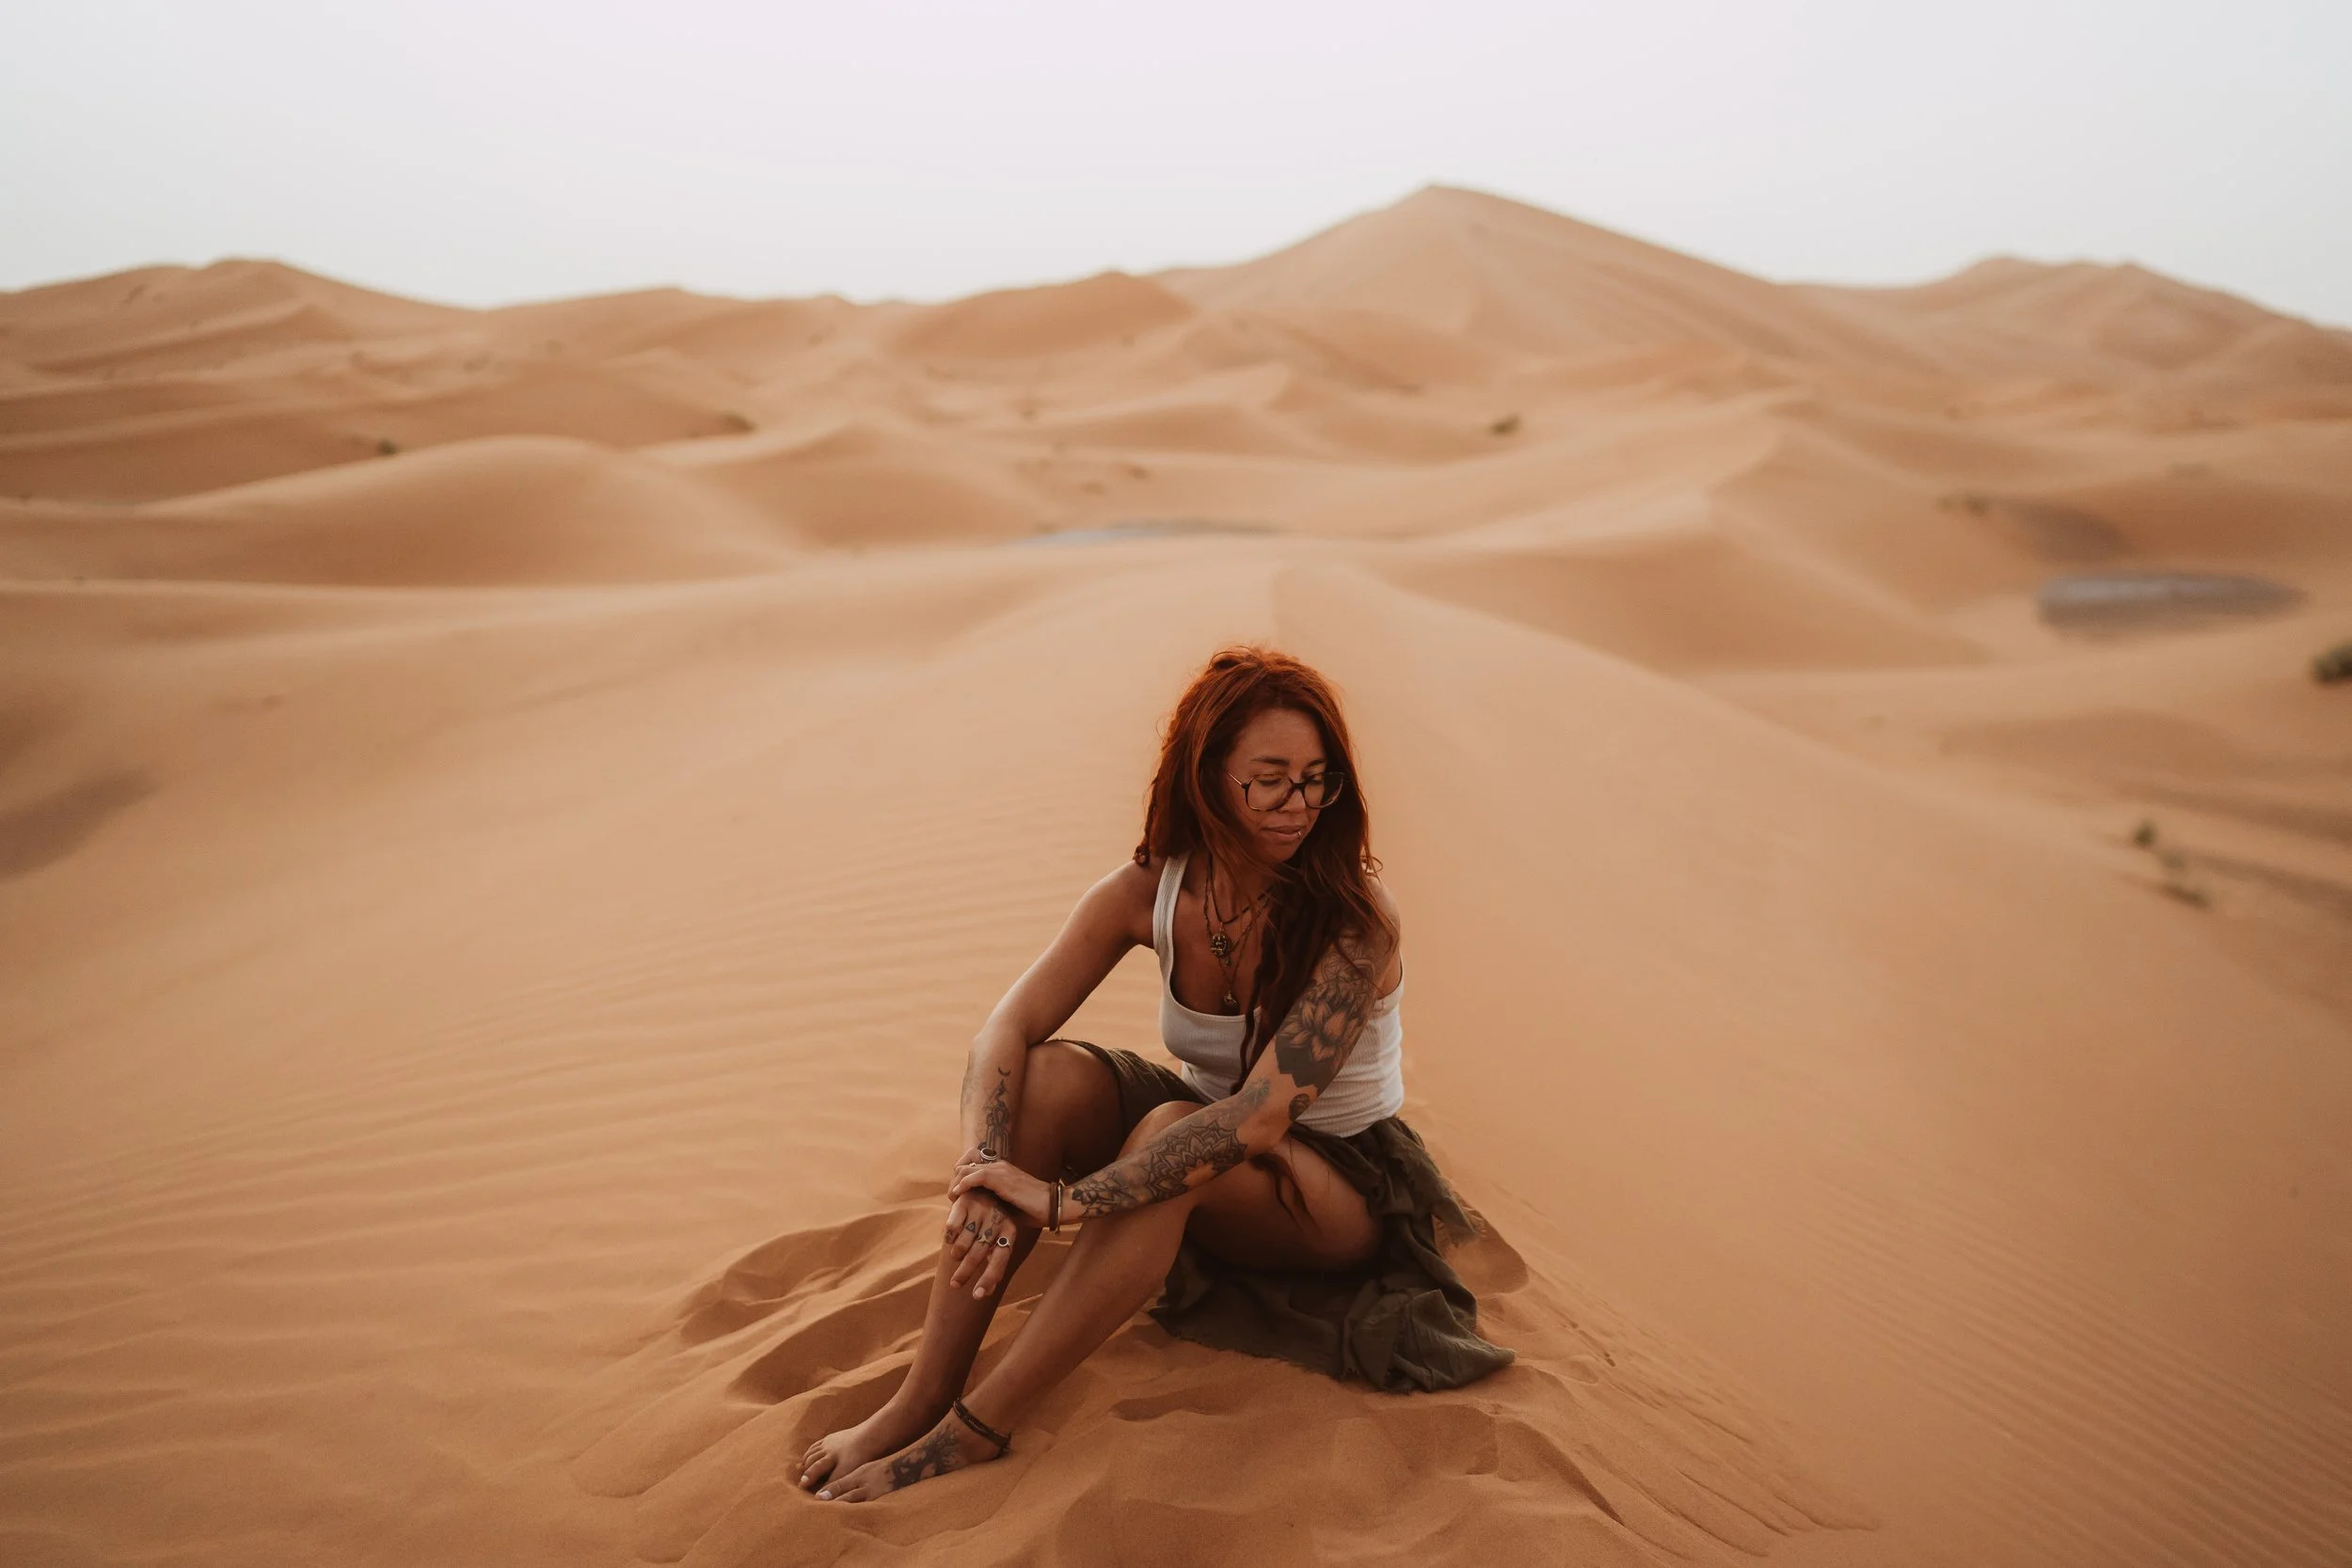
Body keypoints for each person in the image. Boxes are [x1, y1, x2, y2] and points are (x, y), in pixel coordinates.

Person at [798, 645, 1513, 1503]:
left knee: (1174, 1130)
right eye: (1271, 779)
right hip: (1193, 1141)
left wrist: (1064, 1202)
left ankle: (973, 1429)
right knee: (1048, 1078)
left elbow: (1256, 1119)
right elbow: (1006, 1028)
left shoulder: (1357, 920)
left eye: (1318, 779)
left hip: (1336, 1188)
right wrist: (984, 1168)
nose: (1300, 805)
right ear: (1209, 777)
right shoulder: (1153, 887)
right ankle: (918, 1394)